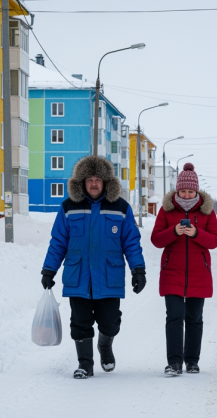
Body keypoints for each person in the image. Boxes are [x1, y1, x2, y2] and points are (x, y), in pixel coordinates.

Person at [40, 155, 146, 379]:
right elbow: (58, 241)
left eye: (98, 179)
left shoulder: (120, 207)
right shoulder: (69, 207)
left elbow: (131, 242)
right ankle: (85, 364)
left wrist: (138, 270)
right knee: (80, 323)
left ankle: (105, 347)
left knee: (110, 323)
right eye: (89, 179)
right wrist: (49, 270)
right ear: (82, 182)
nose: (94, 183)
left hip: (109, 277)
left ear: (106, 181)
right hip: (79, 277)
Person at [151, 163, 217, 376]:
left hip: (199, 274)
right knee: (174, 317)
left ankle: (192, 361)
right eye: (183, 191)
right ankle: (174, 363)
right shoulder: (166, 210)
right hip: (172, 272)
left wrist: (196, 233)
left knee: (194, 319)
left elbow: (215, 240)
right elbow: (155, 239)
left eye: (191, 191)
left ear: (197, 191)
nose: (187, 194)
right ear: (177, 190)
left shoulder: (206, 211)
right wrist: (174, 231)